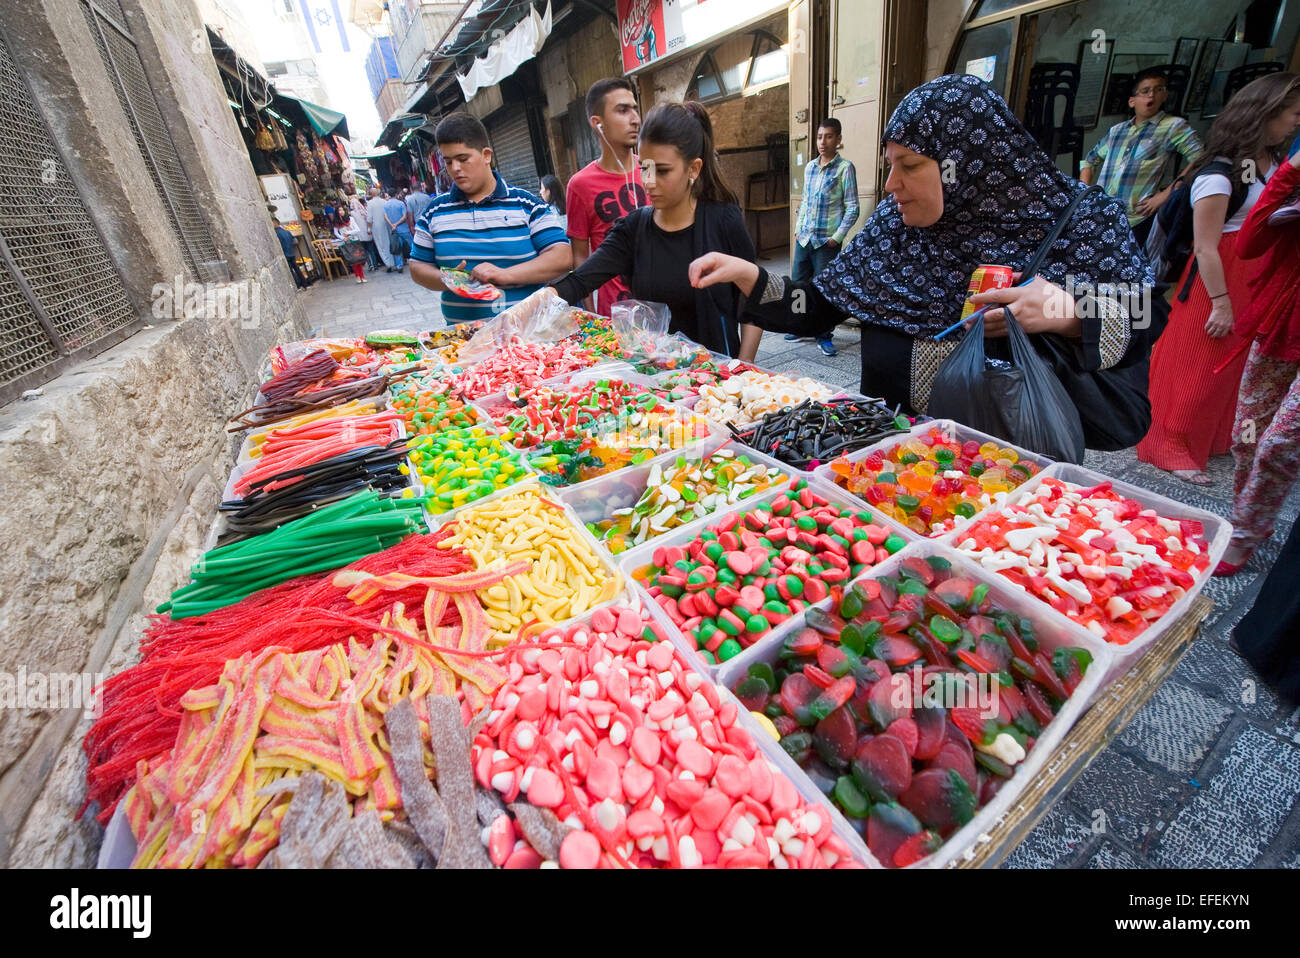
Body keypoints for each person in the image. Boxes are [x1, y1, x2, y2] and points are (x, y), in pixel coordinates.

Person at [686, 74, 1155, 451]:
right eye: (890, 165)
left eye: (910, 166)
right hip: (888, 458)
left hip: (1010, 477)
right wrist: (747, 274)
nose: (892, 185)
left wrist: (1063, 312)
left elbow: (1144, 317)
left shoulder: (1078, 219)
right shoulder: (895, 226)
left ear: (967, 161)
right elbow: (819, 305)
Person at [1137, 73, 1300, 483]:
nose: (1297, 122)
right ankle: (1169, 445)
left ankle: (1208, 439)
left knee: (1229, 368)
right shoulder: (1218, 173)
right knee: (1196, 364)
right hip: (1216, 281)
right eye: (1293, 114)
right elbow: (1206, 246)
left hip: (1254, 278)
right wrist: (1222, 302)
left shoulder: (1274, 163)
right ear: (1267, 114)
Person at [549, 101, 759, 359]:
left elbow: (755, 294)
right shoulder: (633, 229)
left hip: (719, 383)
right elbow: (580, 281)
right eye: (645, 168)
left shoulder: (723, 220)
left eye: (662, 170)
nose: (649, 182)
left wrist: (745, 366)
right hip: (657, 381)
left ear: (693, 169)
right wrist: (527, 309)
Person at [1215, 132, 1300, 574]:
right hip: (1280, 322)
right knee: (1246, 436)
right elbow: (1250, 244)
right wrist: (1290, 171)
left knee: (1279, 444)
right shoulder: (1291, 173)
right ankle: (1253, 518)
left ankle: (1244, 531)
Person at [408, 113, 571, 323]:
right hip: (462, 341)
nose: (455, 169)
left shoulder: (527, 205)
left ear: (486, 155)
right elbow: (417, 267)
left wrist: (505, 274)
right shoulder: (434, 212)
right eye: (448, 162)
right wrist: (448, 279)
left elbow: (562, 257)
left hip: (529, 338)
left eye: (463, 159)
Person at [1080, 67, 1204, 246]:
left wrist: (1166, 194)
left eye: (1158, 89)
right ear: (1132, 101)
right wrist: (1085, 193)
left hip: (1136, 218)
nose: (1151, 96)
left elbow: (1200, 158)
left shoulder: (1172, 126)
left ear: (1165, 96)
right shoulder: (1117, 131)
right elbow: (1089, 160)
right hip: (1102, 212)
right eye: (1145, 91)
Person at [566, 78, 647, 315]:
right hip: (616, 314)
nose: (635, 119)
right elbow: (580, 256)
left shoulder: (652, 168)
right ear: (597, 123)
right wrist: (592, 316)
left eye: (635, 108)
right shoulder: (580, 185)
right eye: (623, 110)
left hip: (662, 305)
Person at [784, 117, 860, 357]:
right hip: (804, 238)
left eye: (828, 136)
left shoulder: (844, 168)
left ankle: (824, 335)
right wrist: (798, 228)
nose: (822, 142)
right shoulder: (810, 167)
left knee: (825, 289)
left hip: (826, 242)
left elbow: (853, 207)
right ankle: (800, 327)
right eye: (819, 137)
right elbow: (806, 200)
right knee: (798, 285)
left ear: (838, 139)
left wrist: (837, 236)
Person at [272, 217, 309, 288]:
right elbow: (295, 241)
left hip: (285, 255)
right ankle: (304, 284)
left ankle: (297, 286)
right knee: (297, 269)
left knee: (290, 272)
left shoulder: (275, 233)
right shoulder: (286, 231)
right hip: (291, 253)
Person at [367, 187, 395, 271]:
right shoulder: (384, 201)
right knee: (388, 243)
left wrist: (368, 229)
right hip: (386, 224)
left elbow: (369, 218)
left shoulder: (370, 203)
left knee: (381, 245)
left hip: (377, 226)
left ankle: (388, 263)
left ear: (371, 194)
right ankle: (393, 261)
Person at [348, 191, 378, 270]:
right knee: (371, 250)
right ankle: (375, 265)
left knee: (364, 251)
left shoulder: (352, 214)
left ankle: (370, 265)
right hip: (368, 233)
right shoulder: (364, 211)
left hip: (360, 236)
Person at [384, 191, 411, 272]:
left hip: (393, 230)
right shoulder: (401, 203)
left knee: (396, 247)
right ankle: (414, 261)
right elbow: (404, 216)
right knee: (410, 244)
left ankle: (399, 266)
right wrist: (397, 224)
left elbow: (385, 217)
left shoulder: (386, 205)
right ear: (396, 195)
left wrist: (392, 225)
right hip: (403, 228)